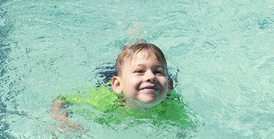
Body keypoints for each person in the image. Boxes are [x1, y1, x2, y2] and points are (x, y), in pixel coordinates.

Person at [52, 42, 192, 129]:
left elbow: (184, 131)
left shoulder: (173, 106)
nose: (151, 76)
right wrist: (60, 118)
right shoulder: (105, 99)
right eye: (140, 71)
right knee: (125, 60)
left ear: (170, 85)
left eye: (157, 72)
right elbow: (61, 99)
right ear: (118, 85)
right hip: (107, 78)